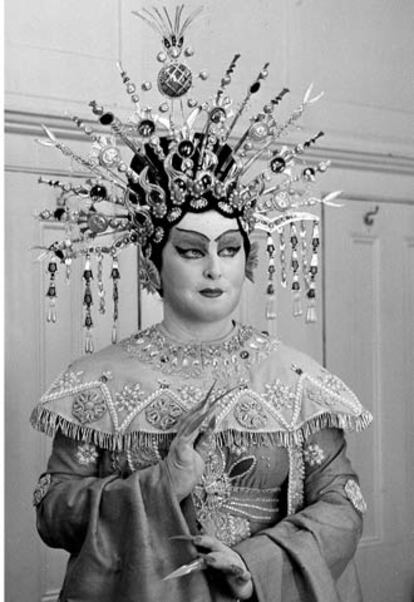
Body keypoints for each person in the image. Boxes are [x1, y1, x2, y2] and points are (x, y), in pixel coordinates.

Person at [30, 7, 372, 601]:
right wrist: (159, 485)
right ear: (152, 265)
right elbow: (53, 511)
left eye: (231, 248)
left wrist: (254, 563)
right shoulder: (100, 381)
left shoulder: (293, 379)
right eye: (191, 250)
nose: (215, 267)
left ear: (250, 258)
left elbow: (343, 502)